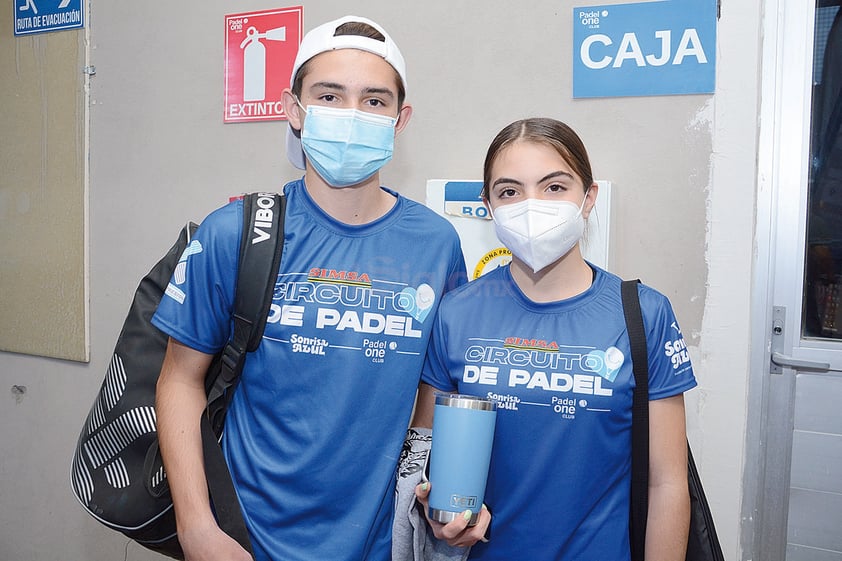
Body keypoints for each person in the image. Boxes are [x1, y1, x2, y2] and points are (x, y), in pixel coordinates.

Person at [152, 15, 466, 561]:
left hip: (379, 544)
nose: (353, 115)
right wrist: (197, 527)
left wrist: (435, 485)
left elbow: (435, 389)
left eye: (374, 101)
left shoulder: (436, 243)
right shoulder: (235, 233)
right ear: (294, 110)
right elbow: (179, 380)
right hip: (245, 538)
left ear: (400, 118)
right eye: (330, 95)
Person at [408, 117, 696, 560]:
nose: (531, 205)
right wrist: (432, 508)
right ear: (488, 205)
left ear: (588, 197)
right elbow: (424, 453)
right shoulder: (456, 312)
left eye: (554, 187)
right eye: (509, 191)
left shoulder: (643, 314)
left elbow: (668, 482)